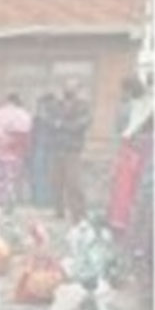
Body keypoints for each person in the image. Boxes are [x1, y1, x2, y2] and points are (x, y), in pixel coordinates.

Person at [52, 82, 91, 221]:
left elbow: (81, 125)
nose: (68, 89)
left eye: (72, 87)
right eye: (66, 87)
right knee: (57, 182)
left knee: (74, 184)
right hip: (58, 149)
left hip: (73, 150)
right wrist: (61, 125)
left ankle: (79, 214)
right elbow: (51, 123)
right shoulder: (58, 105)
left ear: (76, 90)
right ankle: (59, 211)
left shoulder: (83, 106)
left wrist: (62, 125)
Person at [0, 93, 32, 209]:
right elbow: (26, 135)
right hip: (16, 151)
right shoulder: (24, 115)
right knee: (12, 177)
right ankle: (10, 199)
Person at [30, 93, 58, 207]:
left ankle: (48, 199)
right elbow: (32, 133)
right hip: (39, 148)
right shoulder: (36, 120)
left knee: (50, 174)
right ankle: (40, 200)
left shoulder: (55, 120)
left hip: (51, 149)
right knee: (39, 173)